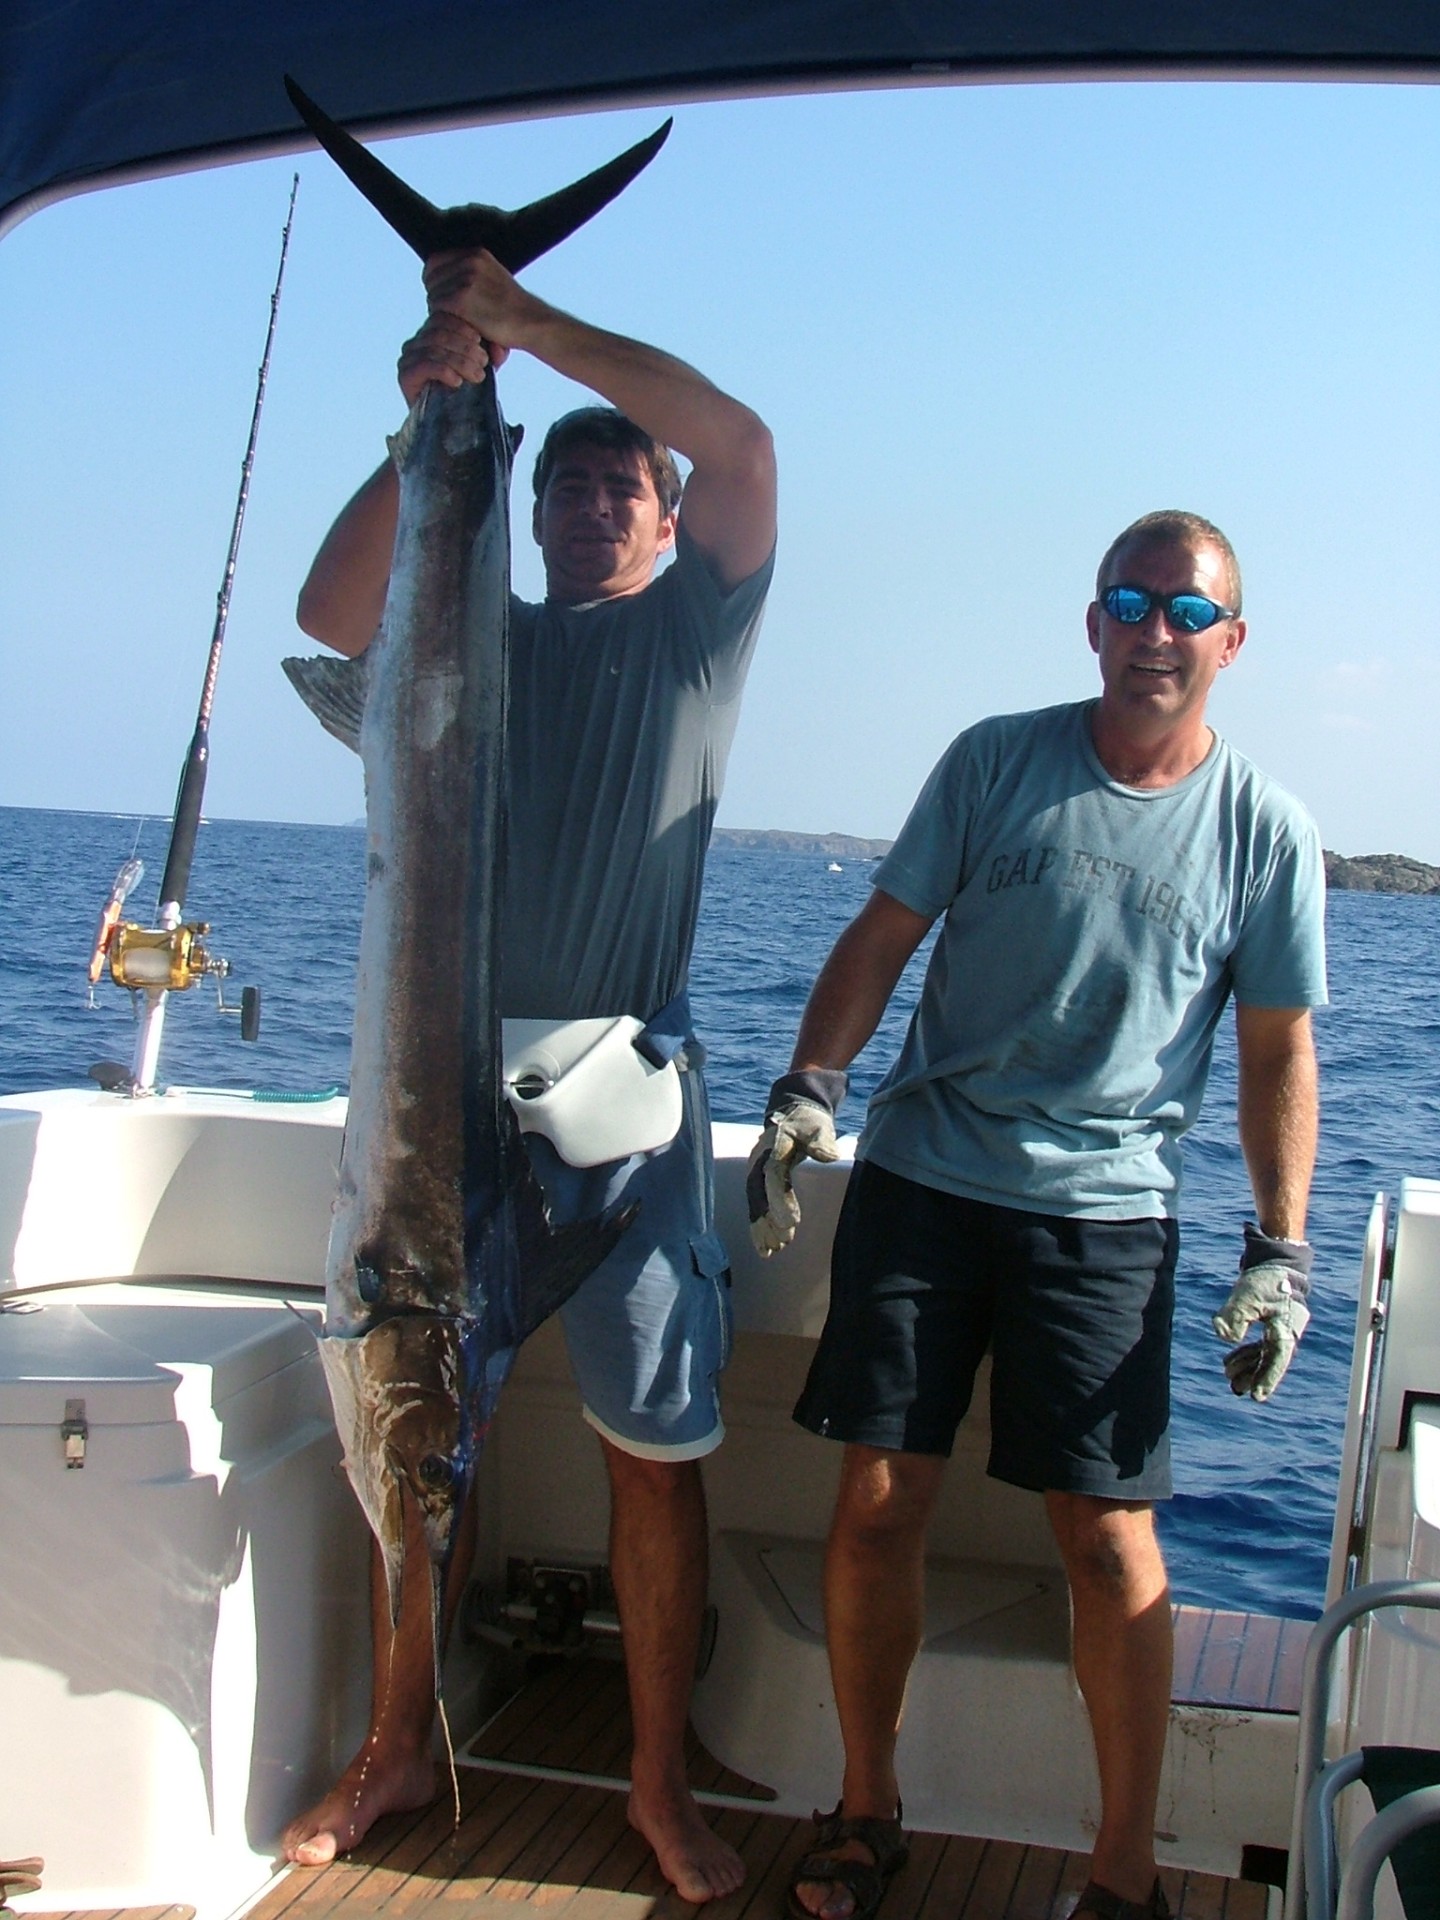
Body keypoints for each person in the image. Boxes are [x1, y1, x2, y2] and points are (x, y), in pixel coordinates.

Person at [281, 244, 776, 1903]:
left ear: (664, 519)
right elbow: (328, 617)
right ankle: (398, 1744)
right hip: (441, 1098)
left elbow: (747, 445)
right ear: (528, 507)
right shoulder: (467, 637)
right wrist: (435, 408)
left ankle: (655, 1786)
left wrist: (526, 323)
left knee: (653, 1452)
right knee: (426, 1435)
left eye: (619, 483)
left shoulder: (698, 638)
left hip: (622, 1108)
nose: (586, 503)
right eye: (561, 482)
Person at [747, 511, 1324, 1920]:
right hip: (925, 1180)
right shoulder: (994, 759)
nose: (1155, 632)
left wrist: (1280, 1246)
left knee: (1109, 1539)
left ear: (1233, 643)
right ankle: (866, 1812)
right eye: (1130, 602)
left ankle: (1125, 1876)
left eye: (1188, 612)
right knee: (877, 1499)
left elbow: (1276, 1050)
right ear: (1092, 623)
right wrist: (809, 1086)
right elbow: (883, 935)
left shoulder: (1266, 829)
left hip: (1109, 1216)